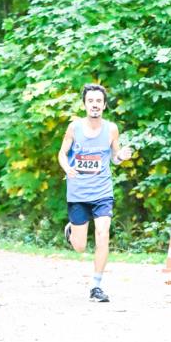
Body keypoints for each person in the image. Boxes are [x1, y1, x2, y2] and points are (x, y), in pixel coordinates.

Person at [58, 83, 133, 303]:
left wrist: (123, 156)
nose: (94, 105)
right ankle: (72, 230)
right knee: (80, 247)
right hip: (78, 193)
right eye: (90, 101)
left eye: (98, 101)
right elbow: (62, 154)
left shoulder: (111, 129)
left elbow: (115, 157)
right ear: (84, 104)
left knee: (103, 234)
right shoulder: (74, 128)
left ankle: (96, 286)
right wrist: (67, 168)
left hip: (102, 191)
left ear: (104, 105)